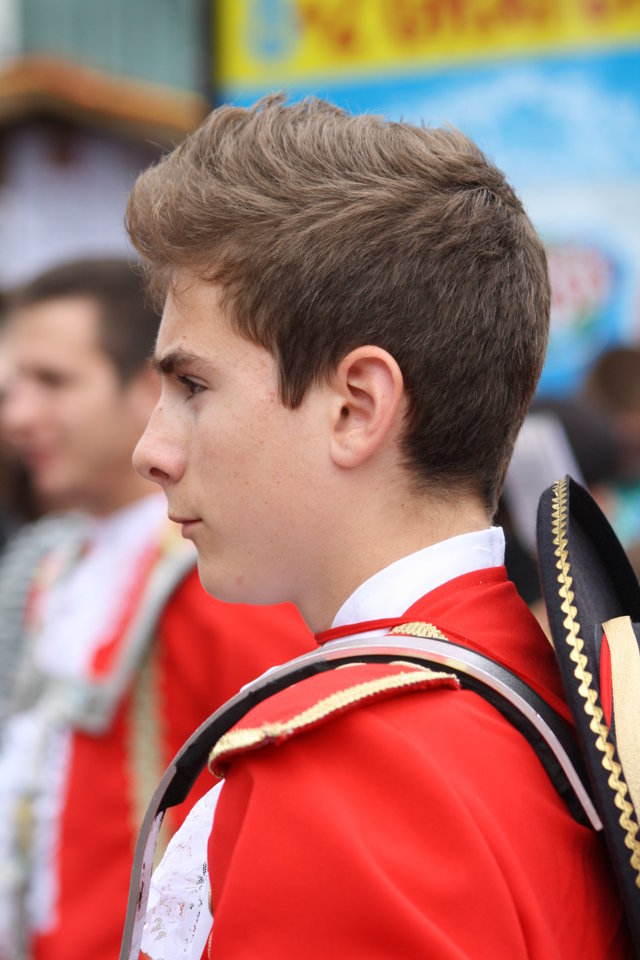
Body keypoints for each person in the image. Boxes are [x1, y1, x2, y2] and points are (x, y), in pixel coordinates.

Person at [128, 96, 631, 958]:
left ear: (357, 408)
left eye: (194, 387)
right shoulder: (541, 679)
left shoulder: (343, 770)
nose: (153, 451)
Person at [0, 257, 311, 960]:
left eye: (54, 382)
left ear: (148, 389)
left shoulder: (216, 579)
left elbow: (273, 829)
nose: (17, 416)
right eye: (15, 385)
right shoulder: (56, 563)